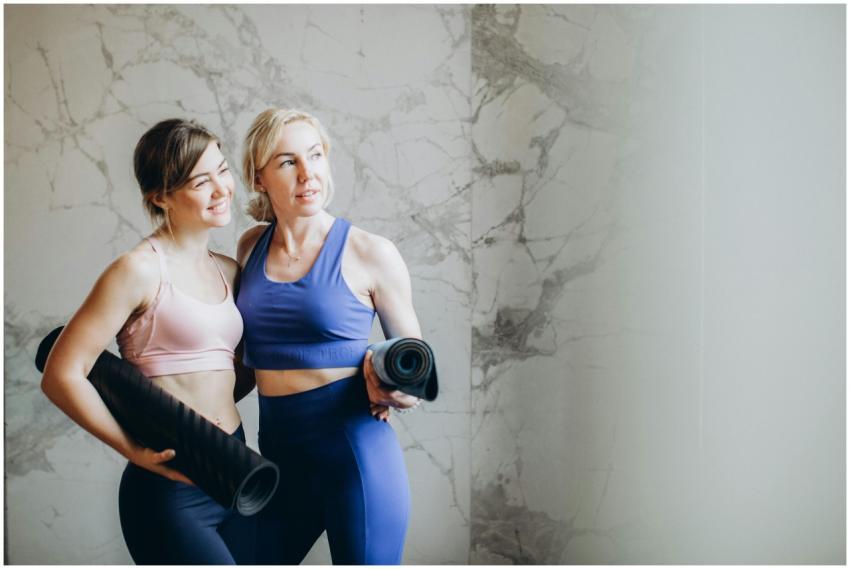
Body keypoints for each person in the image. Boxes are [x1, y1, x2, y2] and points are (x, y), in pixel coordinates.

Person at [40, 119, 255, 565]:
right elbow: (61, 374)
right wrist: (132, 450)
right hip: (171, 490)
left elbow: (234, 370)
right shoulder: (137, 269)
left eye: (222, 170)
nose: (221, 188)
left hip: (233, 468)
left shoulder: (229, 270)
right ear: (160, 196)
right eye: (201, 181)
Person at [236, 108, 421, 565]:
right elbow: (242, 365)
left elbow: (416, 372)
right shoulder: (249, 248)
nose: (308, 173)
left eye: (315, 155)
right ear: (259, 178)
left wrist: (389, 382)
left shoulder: (370, 252)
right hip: (277, 460)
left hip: (355, 458)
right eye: (287, 162)